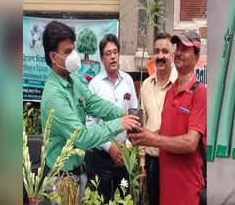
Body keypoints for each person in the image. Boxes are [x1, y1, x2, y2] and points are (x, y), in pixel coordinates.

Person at [40, 21, 140, 202]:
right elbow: (82, 137)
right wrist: (120, 123)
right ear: (53, 57)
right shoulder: (54, 95)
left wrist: (121, 114)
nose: (75, 56)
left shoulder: (73, 80)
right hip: (61, 180)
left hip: (79, 173)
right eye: (68, 52)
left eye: (74, 49)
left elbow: (93, 103)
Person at [130, 31, 206, 205]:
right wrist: (143, 135)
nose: (179, 52)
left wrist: (153, 139)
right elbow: (166, 130)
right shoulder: (170, 92)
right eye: (177, 47)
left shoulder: (200, 92)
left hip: (187, 189)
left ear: (196, 56)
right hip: (165, 184)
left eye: (185, 49)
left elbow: (190, 142)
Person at [85, 33, 138, 202]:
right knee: (103, 199)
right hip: (102, 160)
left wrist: (127, 147)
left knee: (123, 196)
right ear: (101, 58)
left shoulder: (128, 80)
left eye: (115, 52)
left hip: (125, 159)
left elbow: (135, 115)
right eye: (108, 53)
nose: (113, 57)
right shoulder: (95, 85)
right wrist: (110, 148)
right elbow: (90, 123)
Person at [139, 32, 177, 205]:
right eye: (157, 51)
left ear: (173, 55)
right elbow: (141, 125)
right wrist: (142, 164)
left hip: (176, 162)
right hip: (153, 163)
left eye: (165, 51)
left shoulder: (181, 85)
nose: (160, 56)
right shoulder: (146, 85)